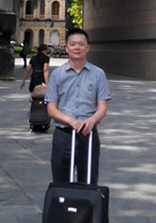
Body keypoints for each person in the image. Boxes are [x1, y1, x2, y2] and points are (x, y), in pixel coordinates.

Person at [45, 28, 110, 184]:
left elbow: (102, 106)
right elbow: (51, 108)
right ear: (67, 48)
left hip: (88, 134)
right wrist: (72, 121)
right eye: (73, 44)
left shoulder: (98, 74)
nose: (77, 47)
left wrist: (91, 121)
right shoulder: (57, 74)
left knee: (88, 181)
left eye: (81, 44)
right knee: (61, 181)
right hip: (63, 134)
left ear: (87, 47)